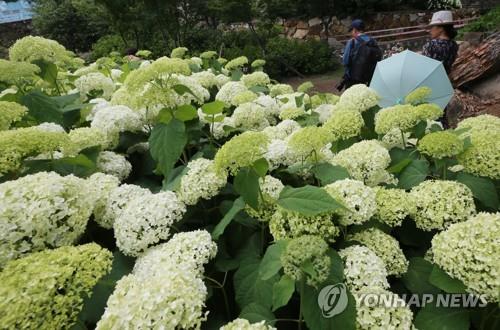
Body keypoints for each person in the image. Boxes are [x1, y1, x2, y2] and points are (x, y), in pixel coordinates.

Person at [338, 19, 382, 91]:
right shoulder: (372, 41)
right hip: (370, 77)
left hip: (354, 78)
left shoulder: (352, 42)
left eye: (351, 30)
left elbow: (345, 61)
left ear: (355, 30)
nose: (351, 33)